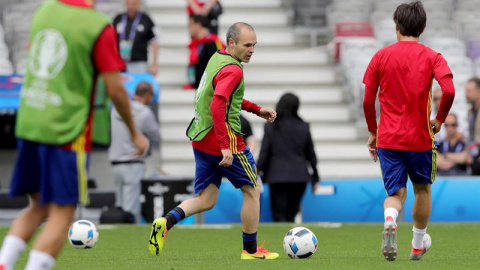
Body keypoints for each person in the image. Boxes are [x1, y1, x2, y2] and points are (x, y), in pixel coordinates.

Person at [0, 1, 148, 270]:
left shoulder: (44, 11)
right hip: (66, 130)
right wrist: (135, 133)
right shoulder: (98, 26)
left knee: (37, 207)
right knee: (63, 213)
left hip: (31, 121)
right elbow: (115, 88)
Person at [148, 22, 279, 260]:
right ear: (232, 43)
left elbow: (226, 97)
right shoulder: (235, 70)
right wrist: (225, 146)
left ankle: (165, 222)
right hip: (225, 140)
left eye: (254, 45)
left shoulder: (217, 57)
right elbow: (218, 102)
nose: (251, 50)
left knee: (206, 199)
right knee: (252, 191)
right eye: (247, 45)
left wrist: (256, 109)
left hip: (200, 138)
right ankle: (250, 250)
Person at [362, 1, 455, 262]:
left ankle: (390, 218)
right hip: (420, 140)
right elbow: (449, 90)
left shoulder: (380, 56)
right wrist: (439, 118)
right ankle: (416, 245)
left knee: (395, 194)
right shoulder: (432, 56)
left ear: (396, 27)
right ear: (423, 28)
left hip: (389, 139)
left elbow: (368, 100)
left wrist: (373, 131)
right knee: (422, 190)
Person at [257, 93, 320, 222]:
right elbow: (311, 154)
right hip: (299, 176)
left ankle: (283, 241)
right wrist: (315, 177)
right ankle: (292, 240)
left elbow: (265, 152)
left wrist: (257, 171)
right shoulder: (304, 126)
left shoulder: (271, 126)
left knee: (279, 215)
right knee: (291, 214)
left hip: (276, 176)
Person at [109, 82, 160, 223]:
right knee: (131, 208)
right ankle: (130, 238)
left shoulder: (116, 109)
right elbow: (156, 135)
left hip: (115, 161)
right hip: (133, 161)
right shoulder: (145, 112)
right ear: (148, 94)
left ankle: (118, 236)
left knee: (119, 206)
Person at [113, 0, 160, 75]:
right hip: (120, 62)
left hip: (139, 62)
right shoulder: (118, 18)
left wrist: (154, 64)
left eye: (134, 4)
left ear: (139, 4)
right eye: (129, 3)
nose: (131, 6)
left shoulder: (146, 19)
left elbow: (155, 41)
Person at [185, 15, 225, 89]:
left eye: (190, 25)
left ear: (198, 25)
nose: (189, 29)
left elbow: (215, 69)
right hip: (201, 89)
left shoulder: (213, 43)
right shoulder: (199, 43)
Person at [465, 78, 480, 175]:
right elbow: (472, 136)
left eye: (469, 91)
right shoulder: (470, 113)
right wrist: (469, 153)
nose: (466, 94)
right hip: (474, 157)